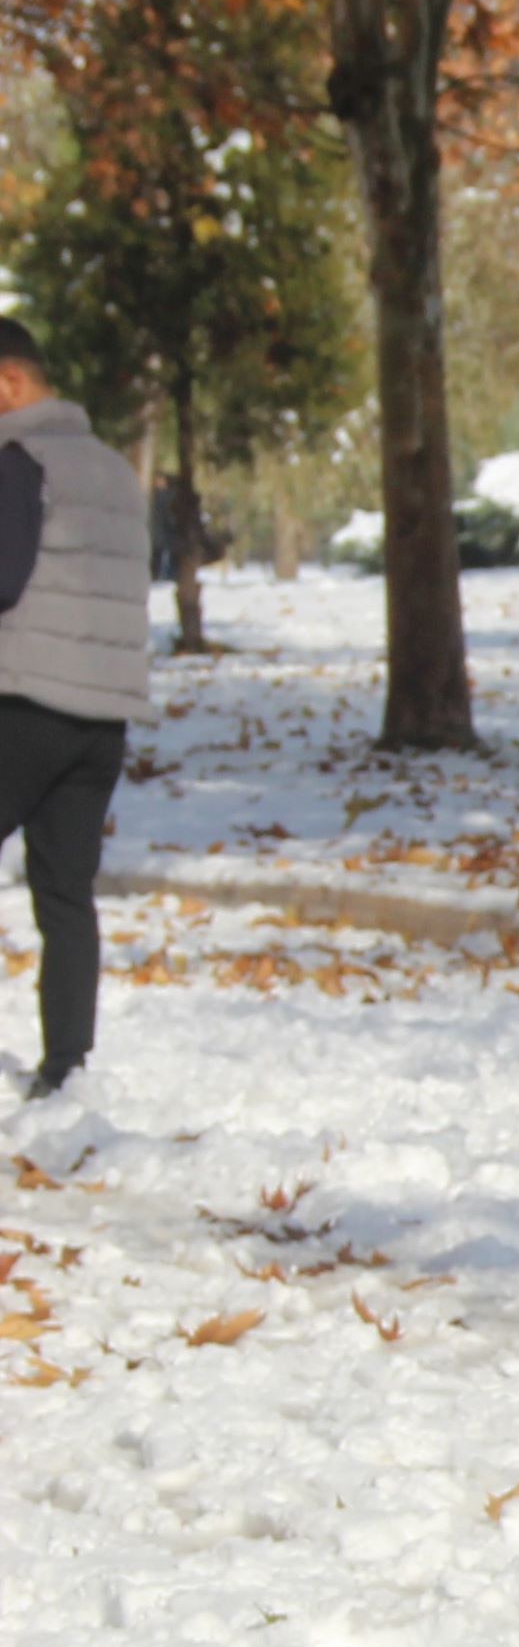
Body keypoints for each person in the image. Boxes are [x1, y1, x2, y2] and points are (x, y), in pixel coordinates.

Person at [0, 317, 145, 1099]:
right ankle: (66, 1068)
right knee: (65, 895)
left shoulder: (19, 459)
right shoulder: (114, 469)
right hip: (100, 719)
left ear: (9, 383)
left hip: (23, 706)